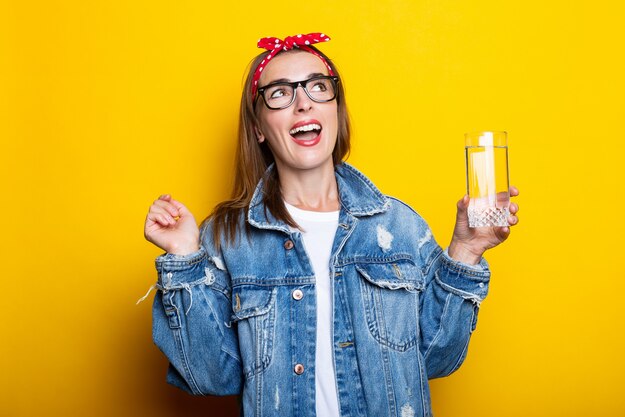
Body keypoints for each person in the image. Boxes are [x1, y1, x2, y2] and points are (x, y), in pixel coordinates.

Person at [143, 32, 519, 417]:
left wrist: (466, 252)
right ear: (258, 127)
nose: (303, 103)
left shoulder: (399, 228)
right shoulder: (227, 238)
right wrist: (184, 259)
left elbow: (438, 357)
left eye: (318, 87)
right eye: (280, 93)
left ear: (336, 112)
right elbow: (212, 377)